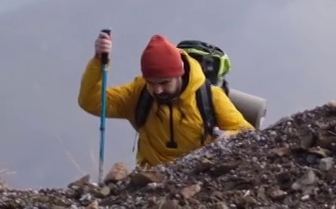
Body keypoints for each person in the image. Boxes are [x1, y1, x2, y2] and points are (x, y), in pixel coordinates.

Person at [77, 31, 254, 167]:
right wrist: (99, 62)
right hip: (150, 181)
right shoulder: (139, 92)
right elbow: (91, 102)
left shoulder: (209, 96)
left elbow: (246, 132)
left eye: (164, 82)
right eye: (151, 83)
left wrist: (229, 137)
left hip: (200, 177)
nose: (157, 90)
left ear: (180, 73)